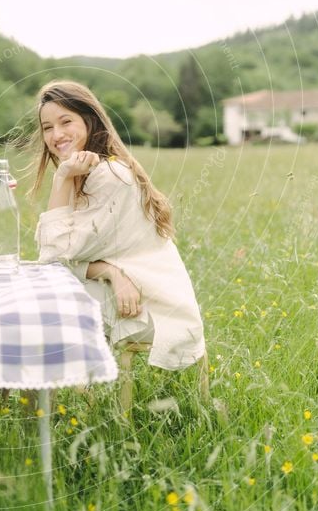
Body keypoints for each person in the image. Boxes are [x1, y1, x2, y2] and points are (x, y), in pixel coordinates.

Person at [31, 80, 206, 371]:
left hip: (150, 305)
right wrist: (112, 272)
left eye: (66, 121)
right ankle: (4, 392)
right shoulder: (84, 172)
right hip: (123, 291)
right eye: (48, 127)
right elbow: (58, 259)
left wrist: (61, 177)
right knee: (34, 294)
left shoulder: (109, 174)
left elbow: (55, 257)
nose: (56, 134)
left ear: (89, 120)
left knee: (41, 304)